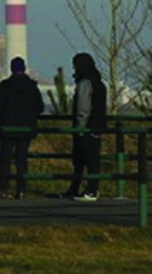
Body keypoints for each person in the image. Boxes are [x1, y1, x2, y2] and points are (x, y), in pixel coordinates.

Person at [0, 56, 44, 199]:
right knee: (22, 159)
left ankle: (3, 188)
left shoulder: (5, 86)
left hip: (8, 128)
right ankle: (21, 190)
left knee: (5, 160)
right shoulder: (32, 86)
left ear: (11, 69)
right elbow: (40, 107)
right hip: (26, 129)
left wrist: (5, 116)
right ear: (24, 68)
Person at [56, 52, 108, 201]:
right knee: (91, 160)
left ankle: (90, 190)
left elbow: (82, 108)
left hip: (86, 128)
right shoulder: (99, 83)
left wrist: (80, 127)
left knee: (82, 160)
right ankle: (85, 188)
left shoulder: (85, 83)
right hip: (96, 127)